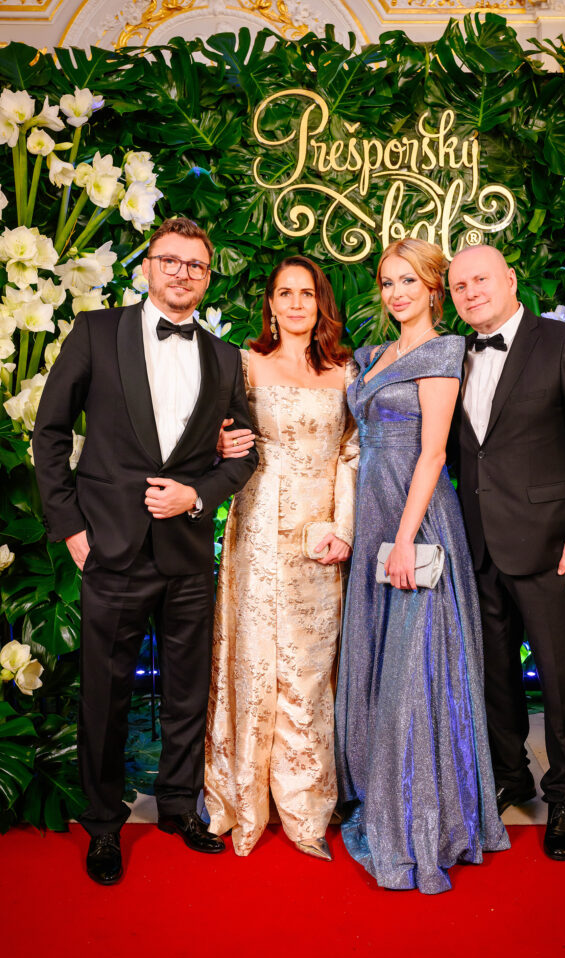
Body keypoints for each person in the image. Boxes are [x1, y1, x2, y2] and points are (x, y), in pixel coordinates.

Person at [33, 218, 258, 885]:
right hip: (110, 547)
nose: (182, 273)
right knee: (105, 695)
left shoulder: (225, 358)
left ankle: (178, 807)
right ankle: (104, 825)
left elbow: (243, 453)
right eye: (171, 260)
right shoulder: (96, 333)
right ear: (148, 266)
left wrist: (197, 495)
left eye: (195, 265)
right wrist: (70, 526)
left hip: (186, 552)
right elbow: (49, 432)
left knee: (188, 690)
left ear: (207, 277)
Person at [334, 238, 509, 894]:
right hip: (373, 514)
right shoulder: (371, 356)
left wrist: (405, 538)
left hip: (417, 518)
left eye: (409, 280)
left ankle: (419, 821)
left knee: (416, 668)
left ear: (435, 289)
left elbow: (433, 453)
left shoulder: (442, 353)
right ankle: (380, 793)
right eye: (387, 282)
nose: (397, 293)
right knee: (381, 661)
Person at [447, 243, 565, 861]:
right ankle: (511, 775)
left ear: (510, 280)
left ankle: (564, 795)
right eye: (459, 286)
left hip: (554, 546)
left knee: (561, 677)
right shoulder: (452, 354)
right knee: (494, 674)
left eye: (480, 280)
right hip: (477, 543)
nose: (471, 292)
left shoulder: (564, 343)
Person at [204, 255, 359, 861]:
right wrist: (219, 442)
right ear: (269, 303)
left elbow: (351, 452)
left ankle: (305, 808)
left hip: (319, 537)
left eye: (307, 294)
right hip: (257, 530)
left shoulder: (345, 370)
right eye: (284, 293)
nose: (296, 303)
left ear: (321, 304)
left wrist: (342, 528)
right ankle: (242, 797)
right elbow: (213, 433)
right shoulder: (243, 365)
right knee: (252, 659)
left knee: (310, 669)